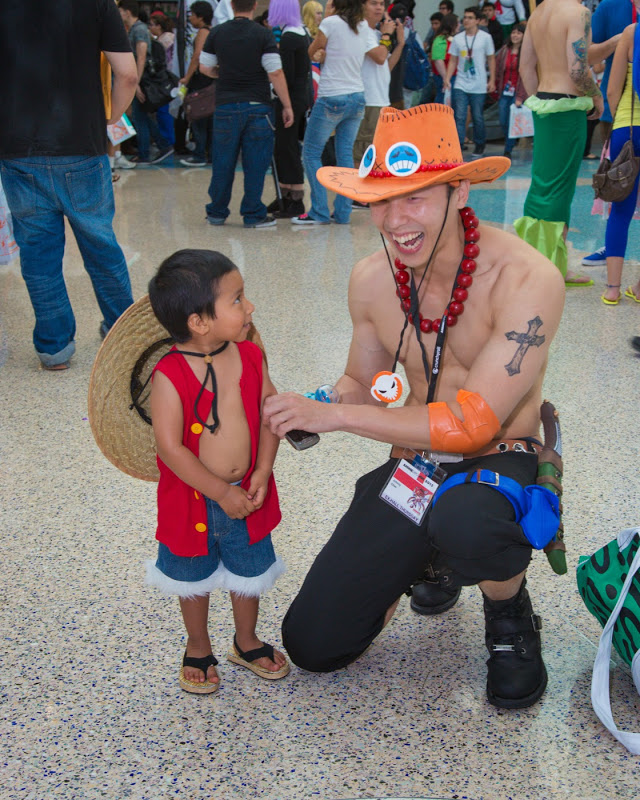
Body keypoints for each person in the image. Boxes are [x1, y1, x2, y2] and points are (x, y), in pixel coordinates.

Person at [263, 103, 565, 710]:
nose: (394, 219)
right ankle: (432, 561)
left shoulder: (526, 278)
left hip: (496, 456)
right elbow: (361, 380)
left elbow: (472, 421)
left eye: (415, 198)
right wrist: (299, 404)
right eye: (381, 200)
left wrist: (339, 416)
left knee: (469, 520)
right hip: (416, 466)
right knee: (312, 642)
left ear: (458, 191)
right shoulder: (373, 278)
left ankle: (509, 615)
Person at [146, 249, 289, 693]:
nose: (250, 308)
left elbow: (270, 413)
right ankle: (198, 644)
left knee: (249, 571)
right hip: (192, 498)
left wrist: (263, 468)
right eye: (237, 299)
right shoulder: (168, 374)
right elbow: (171, 449)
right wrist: (219, 493)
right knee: (193, 574)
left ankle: (245, 641)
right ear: (199, 321)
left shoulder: (250, 355)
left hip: (249, 492)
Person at [0, 0, 137, 370]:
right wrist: (110, 121)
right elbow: (127, 74)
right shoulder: (97, 5)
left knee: (38, 253)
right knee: (100, 246)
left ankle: (54, 348)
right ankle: (124, 334)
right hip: (81, 145)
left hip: (16, 149)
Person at [515, 0, 603, 286]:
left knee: (542, 183)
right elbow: (578, 71)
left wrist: (540, 103)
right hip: (568, 108)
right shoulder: (578, 12)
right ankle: (555, 266)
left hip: (544, 104)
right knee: (560, 188)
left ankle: (533, 259)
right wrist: (597, 98)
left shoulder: (538, 14)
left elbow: (525, 67)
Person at [199, 0, 294, 228]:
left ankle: (217, 212)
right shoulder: (263, 35)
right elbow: (275, 71)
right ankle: (252, 214)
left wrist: (225, 74)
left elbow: (205, 67)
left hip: (225, 106)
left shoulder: (217, 33)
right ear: (255, 5)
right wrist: (287, 105)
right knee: (256, 163)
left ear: (231, 5)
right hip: (258, 106)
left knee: (223, 162)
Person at [292, 0, 389, 225]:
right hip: (357, 97)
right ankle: (343, 213)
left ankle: (318, 211)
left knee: (311, 153)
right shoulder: (363, 26)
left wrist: (322, 54)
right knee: (345, 154)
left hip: (331, 97)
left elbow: (312, 50)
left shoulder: (331, 23)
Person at [582, 0, 635, 267]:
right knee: (617, 186)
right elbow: (588, 56)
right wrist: (620, 40)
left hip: (624, 116)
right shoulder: (611, 7)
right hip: (620, 115)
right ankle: (610, 246)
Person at [599, 22, 640, 305]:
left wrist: (620, 125)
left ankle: (613, 289)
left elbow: (613, 90)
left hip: (628, 130)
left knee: (621, 209)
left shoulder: (632, 32)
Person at [266, 0, 312, 218]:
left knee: (287, 147)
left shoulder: (289, 38)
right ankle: (285, 194)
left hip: (290, 99)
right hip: (300, 97)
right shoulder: (301, 32)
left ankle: (295, 199)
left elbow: (287, 75)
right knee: (286, 146)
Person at [119, 0, 175, 165]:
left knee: (139, 116)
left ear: (127, 12)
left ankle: (148, 151)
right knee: (141, 115)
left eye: (120, 10)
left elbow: (142, 56)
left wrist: (135, 82)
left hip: (141, 80)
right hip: (138, 79)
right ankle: (160, 146)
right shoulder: (135, 29)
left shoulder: (140, 30)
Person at [353, 0, 406, 170]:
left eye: (381, 4)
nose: (379, 8)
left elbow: (386, 67)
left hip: (381, 100)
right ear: (362, 6)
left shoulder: (376, 34)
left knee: (378, 152)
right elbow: (380, 57)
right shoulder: (361, 31)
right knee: (362, 153)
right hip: (368, 101)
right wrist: (387, 36)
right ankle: (358, 196)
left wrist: (401, 43)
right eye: (373, 3)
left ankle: (368, 196)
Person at [445, 6, 496, 158]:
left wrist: (492, 79)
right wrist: (447, 78)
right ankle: (459, 144)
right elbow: (453, 60)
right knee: (459, 115)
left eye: (470, 18)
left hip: (479, 84)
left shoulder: (485, 38)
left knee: (477, 115)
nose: (466, 20)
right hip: (461, 82)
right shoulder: (458, 38)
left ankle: (480, 143)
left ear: (478, 21)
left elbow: (491, 59)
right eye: (465, 17)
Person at [179, 2, 215, 168]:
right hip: (209, 81)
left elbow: (197, 56)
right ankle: (208, 153)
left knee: (199, 116)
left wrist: (187, 77)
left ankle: (200, 153)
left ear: (200, 16)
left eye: (192, 15)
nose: (190, 18)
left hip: (201, 81)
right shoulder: (212, 32)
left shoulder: (202, 32)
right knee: (207, 118)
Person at [494, 22, 527, 158]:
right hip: (504, 91)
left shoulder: (527, 53)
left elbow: (527, 76)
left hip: (518, 92)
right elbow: (497, 70)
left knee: (513, 121)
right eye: (513, 32)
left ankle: (508, 149)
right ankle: (510, 142)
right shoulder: (503, 51)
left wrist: (521, 97)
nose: (515, 35)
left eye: (518, 33)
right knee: (503, 120)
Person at [149, 12, 177, 153]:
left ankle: (168, 140)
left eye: (152, 25)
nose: (150, 28)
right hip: (166, 78)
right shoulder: (164, 38)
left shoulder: (165, 39)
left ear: (159, 26)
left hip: (166, 79)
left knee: (164, 111)